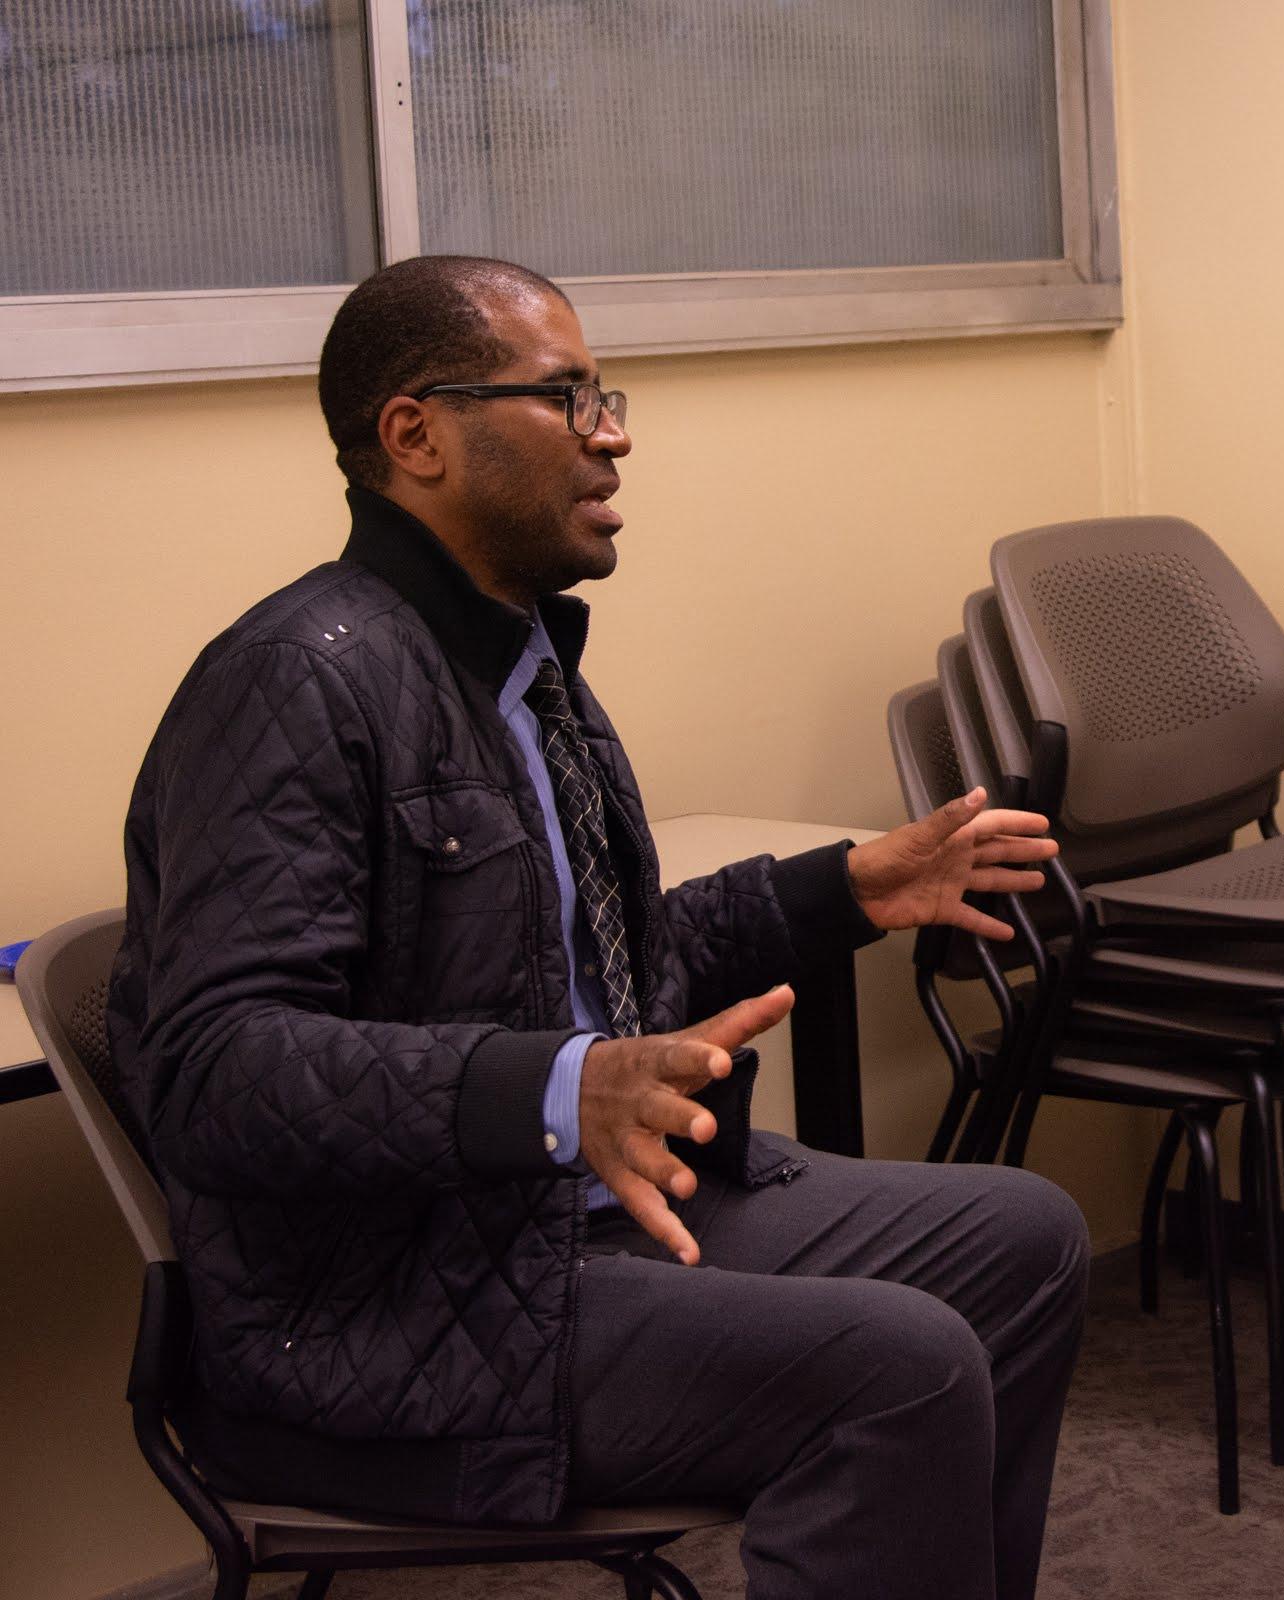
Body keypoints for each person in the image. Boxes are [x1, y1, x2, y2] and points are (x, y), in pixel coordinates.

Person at [107, 255, 1088, 1600]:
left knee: (1023, 1239)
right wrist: (562, 1087)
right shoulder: (294, 682)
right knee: (895, 1369)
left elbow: (609, 972)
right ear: (417, 435)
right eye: (565, 398)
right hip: (382, 1312)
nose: (613, 432)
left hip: (562, 1231)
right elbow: (217, 1071)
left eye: (603, 395)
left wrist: (842, 892)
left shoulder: (523, 671)